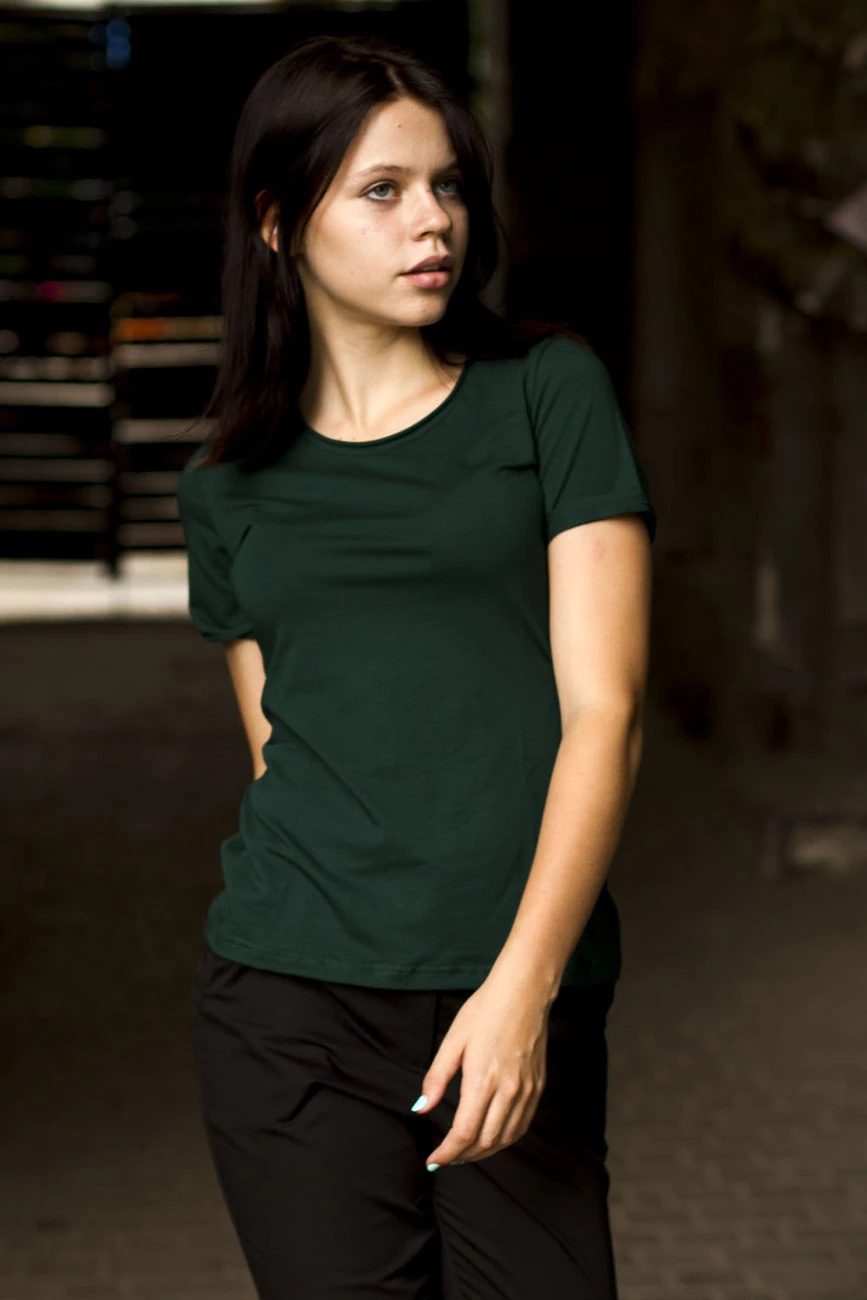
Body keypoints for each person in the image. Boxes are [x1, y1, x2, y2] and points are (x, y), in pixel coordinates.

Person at [177, 30, 655, 1300]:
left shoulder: (547, 393)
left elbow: (605, 715)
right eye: (381, 191)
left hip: (512, 980)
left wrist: (523, 988)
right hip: (289, 1000)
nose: (431, 220)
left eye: (445, 185)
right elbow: (280, 749)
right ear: (278, 222)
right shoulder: (227, 482)